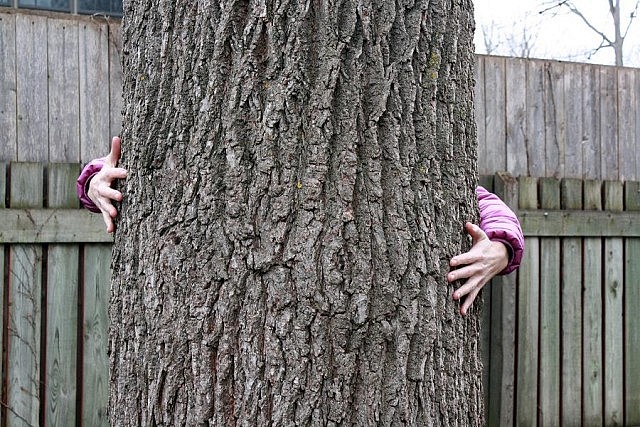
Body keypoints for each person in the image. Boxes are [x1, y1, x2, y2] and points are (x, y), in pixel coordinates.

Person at [78, 137, 524, 315]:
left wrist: (502, 245)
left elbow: (483, 203)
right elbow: (132, 171)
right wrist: (93, 180)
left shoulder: (417, 175)